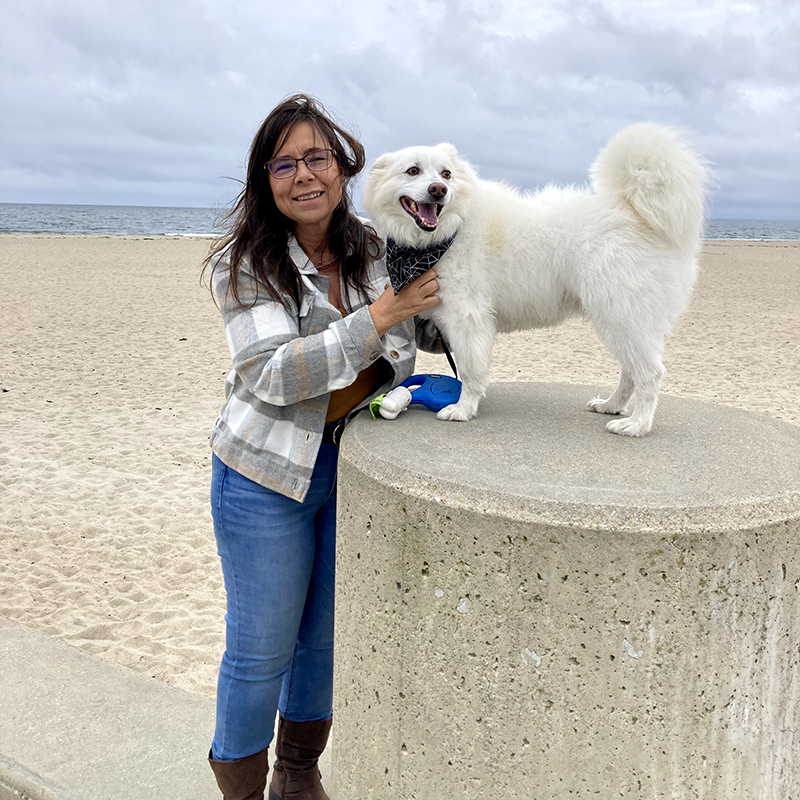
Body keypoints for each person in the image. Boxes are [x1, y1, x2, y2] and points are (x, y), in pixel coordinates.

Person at [203, 93, 442, 800]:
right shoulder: (244, 264)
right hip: (264, 479)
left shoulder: (376, 245)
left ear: (342, 168)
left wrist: (478, 296)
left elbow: (422, 331)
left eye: (317, 158)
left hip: (352, 467)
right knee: (260, 652)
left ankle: (298, 776)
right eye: (285, 164)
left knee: (321, 643)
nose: (304, 176)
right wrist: (382, 314)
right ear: (264, 179)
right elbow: (276, 373)